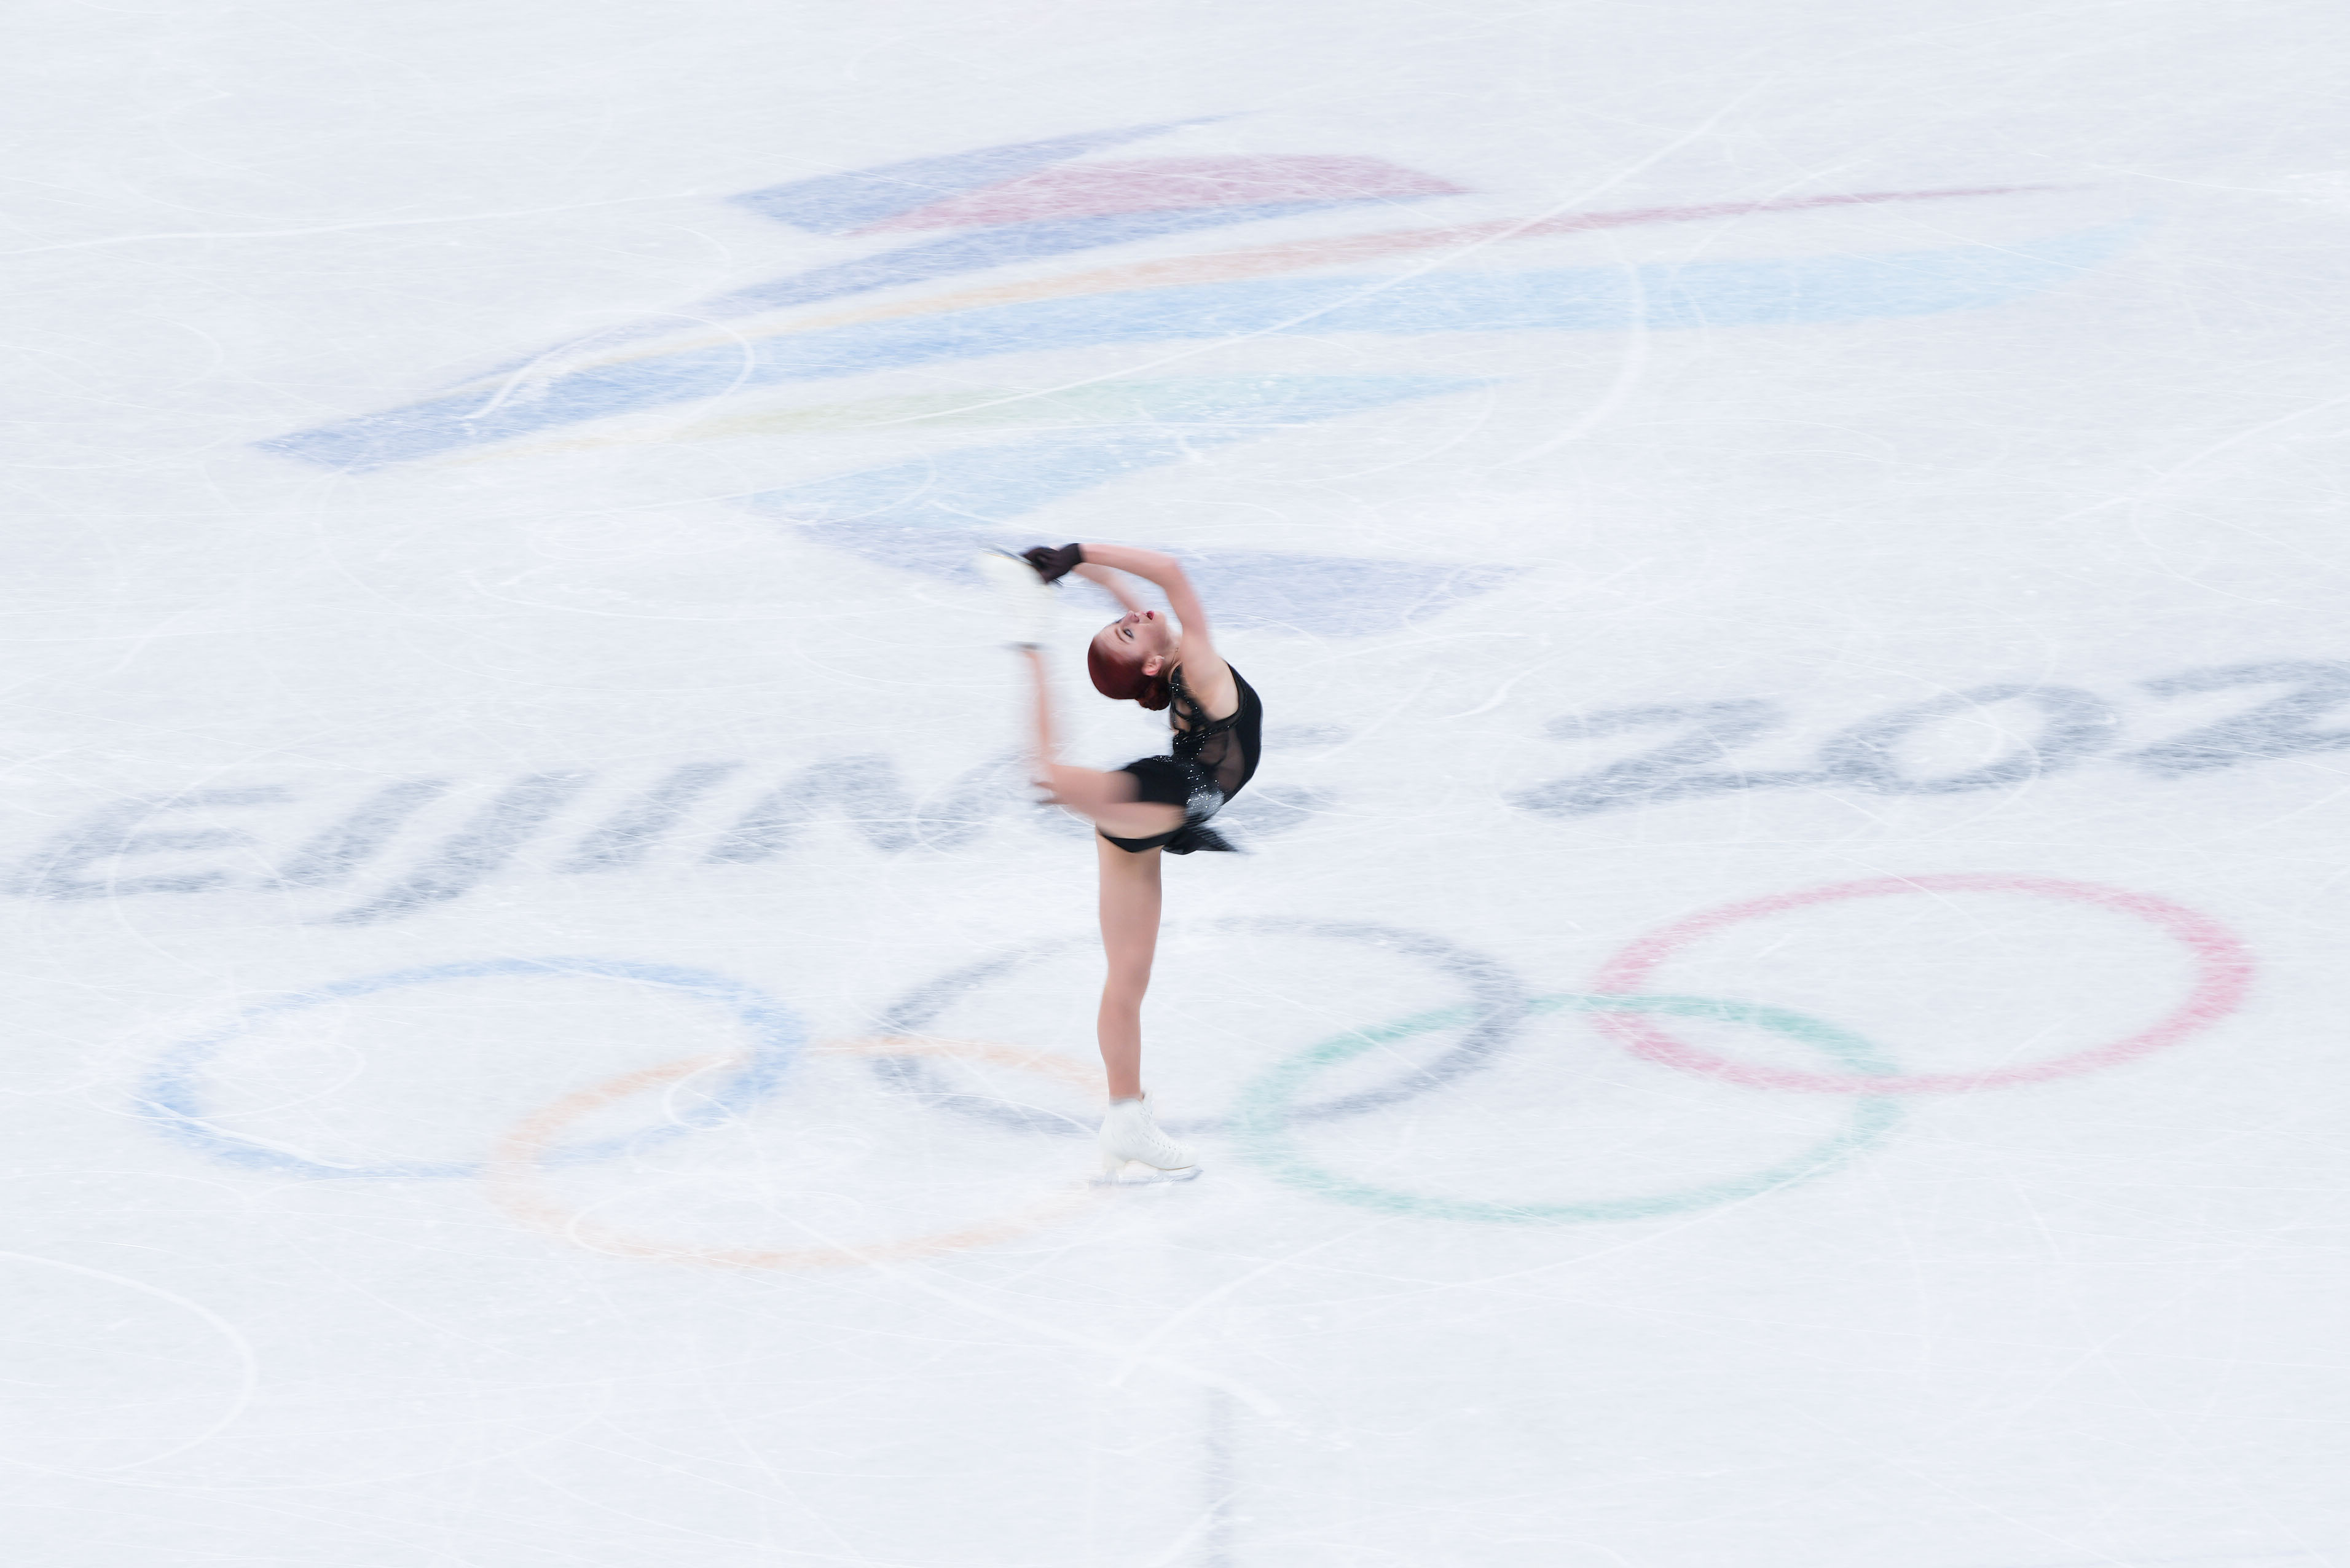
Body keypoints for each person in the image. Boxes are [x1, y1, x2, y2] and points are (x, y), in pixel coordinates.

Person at [986, 543, 1263, 1183]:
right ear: (1152, 661)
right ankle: (1026, 640)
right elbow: (1169, 571)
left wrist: (1072, 569)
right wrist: (1079, 550)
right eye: (1127, 630)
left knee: (1126, 980)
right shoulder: (1195, 662)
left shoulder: (1166, 663)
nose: (1135, 614)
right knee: (1050, 777)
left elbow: (1133, 599)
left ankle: (1123, 1118)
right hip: (1163, 796)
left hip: (1156, 817)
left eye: (1127, 623)